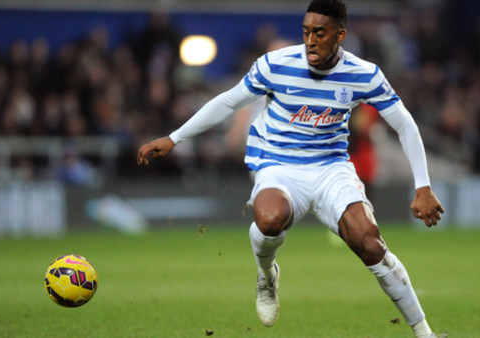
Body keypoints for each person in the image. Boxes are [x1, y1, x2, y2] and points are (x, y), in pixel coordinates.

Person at [137, 1, 445, 337]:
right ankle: (267, 275)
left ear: (340, 35)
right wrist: (175, 137)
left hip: (330, 167)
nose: (310, 40)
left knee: (371, 244)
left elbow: (405, 125)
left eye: (320, 33)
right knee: (269, 219)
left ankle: (425, 333)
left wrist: (423, 186)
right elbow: (228, 101)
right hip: (277, 163)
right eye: (306, 31)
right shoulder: (275, 65)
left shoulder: (364, 74)